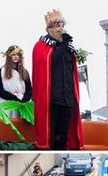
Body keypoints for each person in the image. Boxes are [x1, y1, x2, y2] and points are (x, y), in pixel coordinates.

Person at [32, 9, 83, 150]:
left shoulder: (68, 48)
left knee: (64, 136)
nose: (61, 29)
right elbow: (51, 63)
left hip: (67, 99)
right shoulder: (41, 46)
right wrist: (62, 46)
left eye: (62, 25)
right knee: (52, 136)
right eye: (56, 26)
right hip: (52, 100)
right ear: (48, 29)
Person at [0, 45, 32, 118]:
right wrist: (14, 97)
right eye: (13, 54)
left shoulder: (25, 72)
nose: (15, 56)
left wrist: (24, 99)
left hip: (21, 105)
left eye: (17, 54)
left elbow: (29, 90)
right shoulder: (1, 71)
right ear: (9, 56)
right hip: (7, 105)